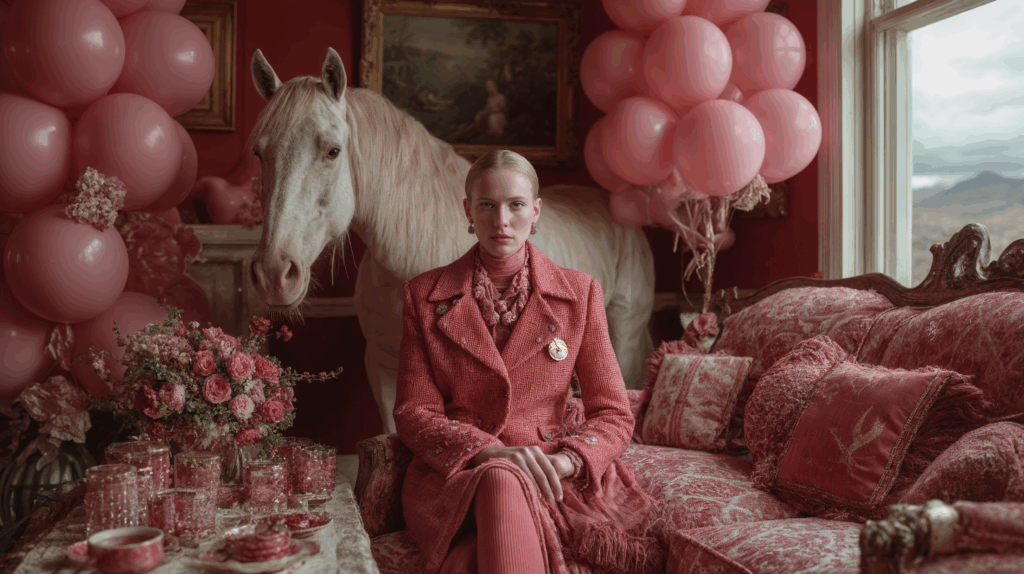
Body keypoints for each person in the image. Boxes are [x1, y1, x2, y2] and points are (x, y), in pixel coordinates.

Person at [394, 150, 667, 574]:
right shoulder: (423, 295)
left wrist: (566, 460)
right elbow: (414, 413)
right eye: (487, 205)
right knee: (502, 476)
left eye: (515, 205)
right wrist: (489, 452)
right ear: (468, 211)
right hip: (460, 472)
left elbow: (613, 412)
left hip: (553, 471)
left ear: (535, 211)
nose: (501, 219)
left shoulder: (582, 294)